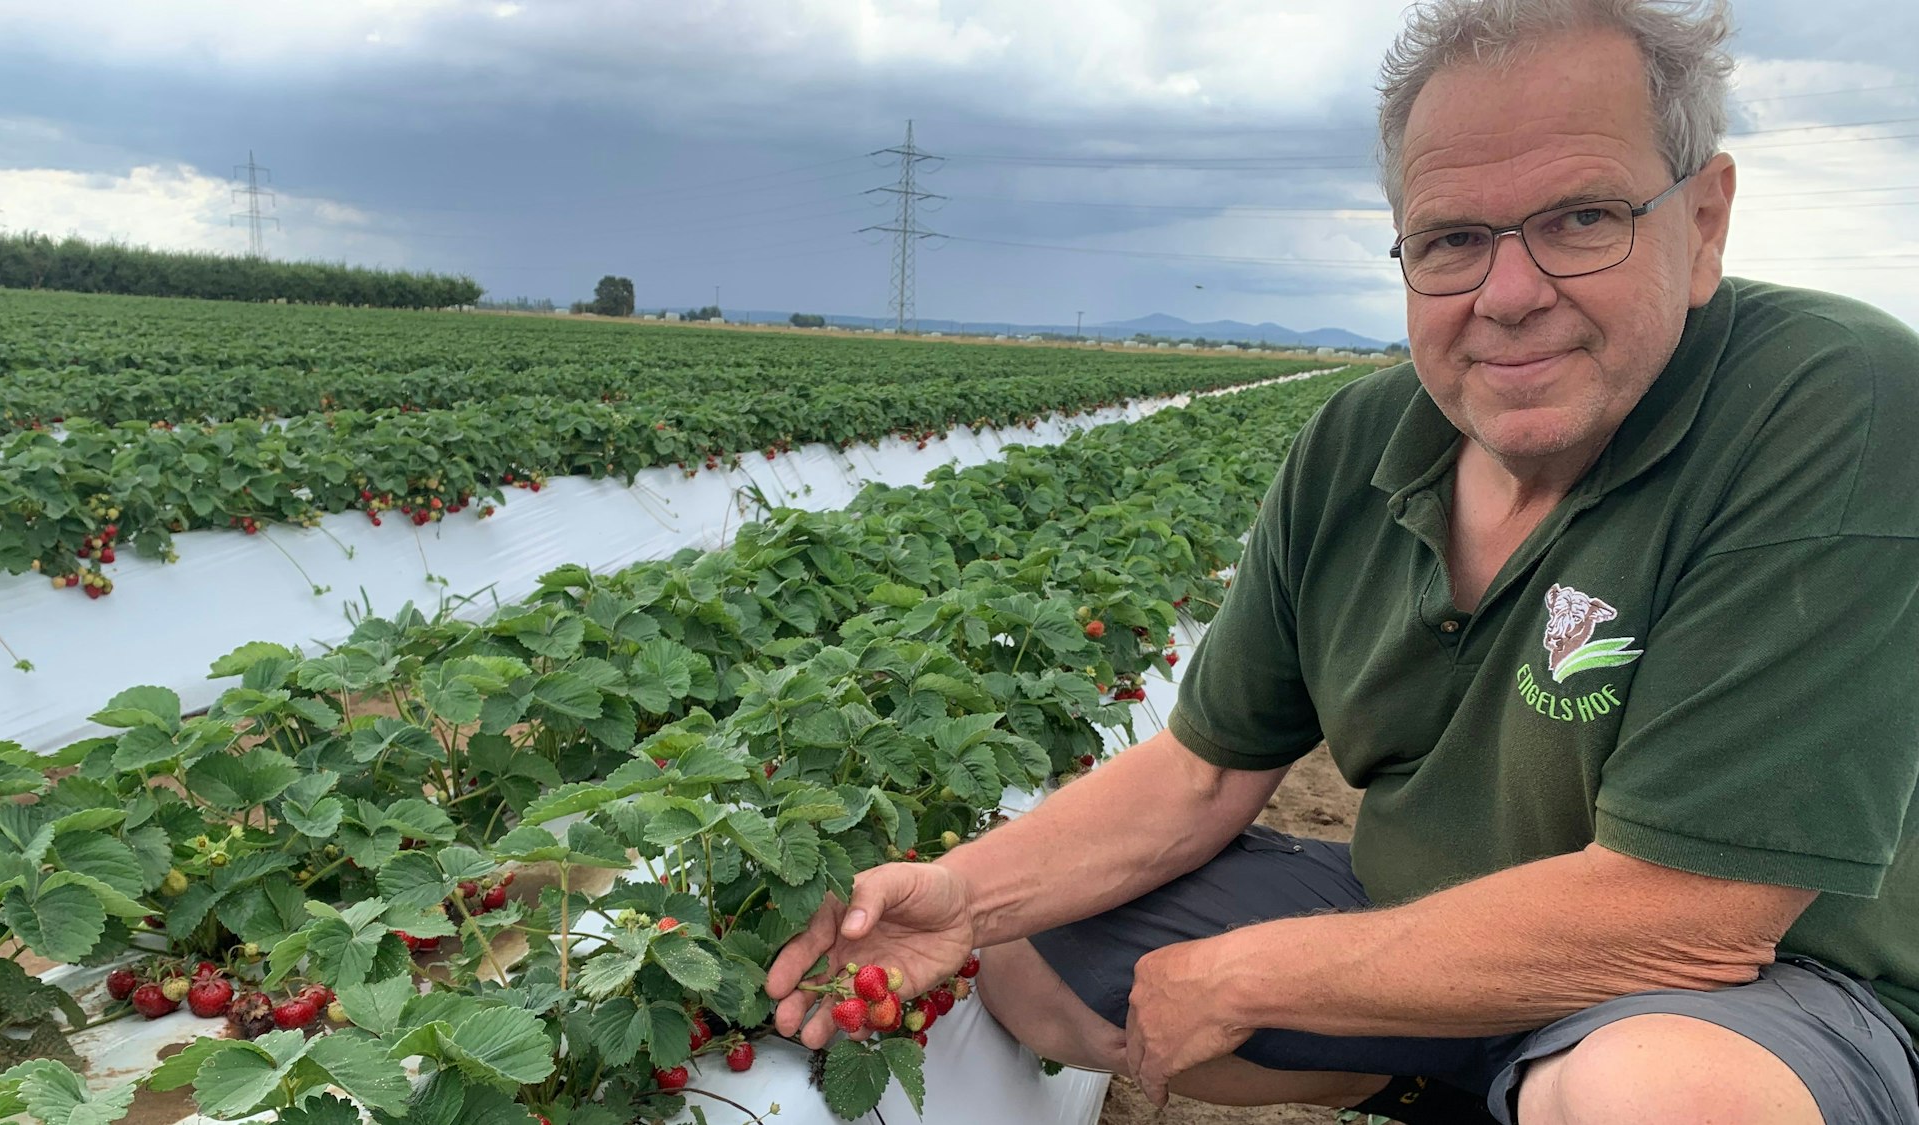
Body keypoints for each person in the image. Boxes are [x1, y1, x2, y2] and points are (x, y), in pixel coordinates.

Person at [765, 0, 1919, 1121]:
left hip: (1751, 989)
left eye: (1580, 218)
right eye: (1451, 239)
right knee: (1030, 960)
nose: (1508, 295)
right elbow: (1202, 774)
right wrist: (966, 899)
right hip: (1426, 912)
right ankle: (1447, 1087)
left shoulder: (1826, 400)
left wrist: (1252, 977)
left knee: (1654, 1095)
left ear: (1702, 224)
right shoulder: (1357, 446)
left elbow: (1693, 914)